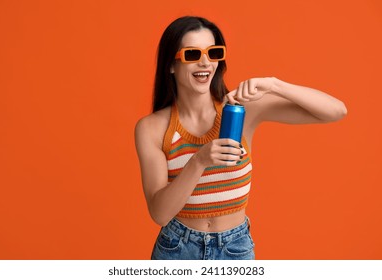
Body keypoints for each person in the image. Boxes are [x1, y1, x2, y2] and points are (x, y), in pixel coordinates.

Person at [134, 16, 347, 260]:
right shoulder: (151, 128)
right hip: (176, 248)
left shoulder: (241, 109)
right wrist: (199, 161)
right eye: (193, 54)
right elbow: (160, 214)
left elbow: (336, 111)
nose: (205, 63)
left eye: (213, 53)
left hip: (235, 247)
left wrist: (274, 85)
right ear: (171, 64)